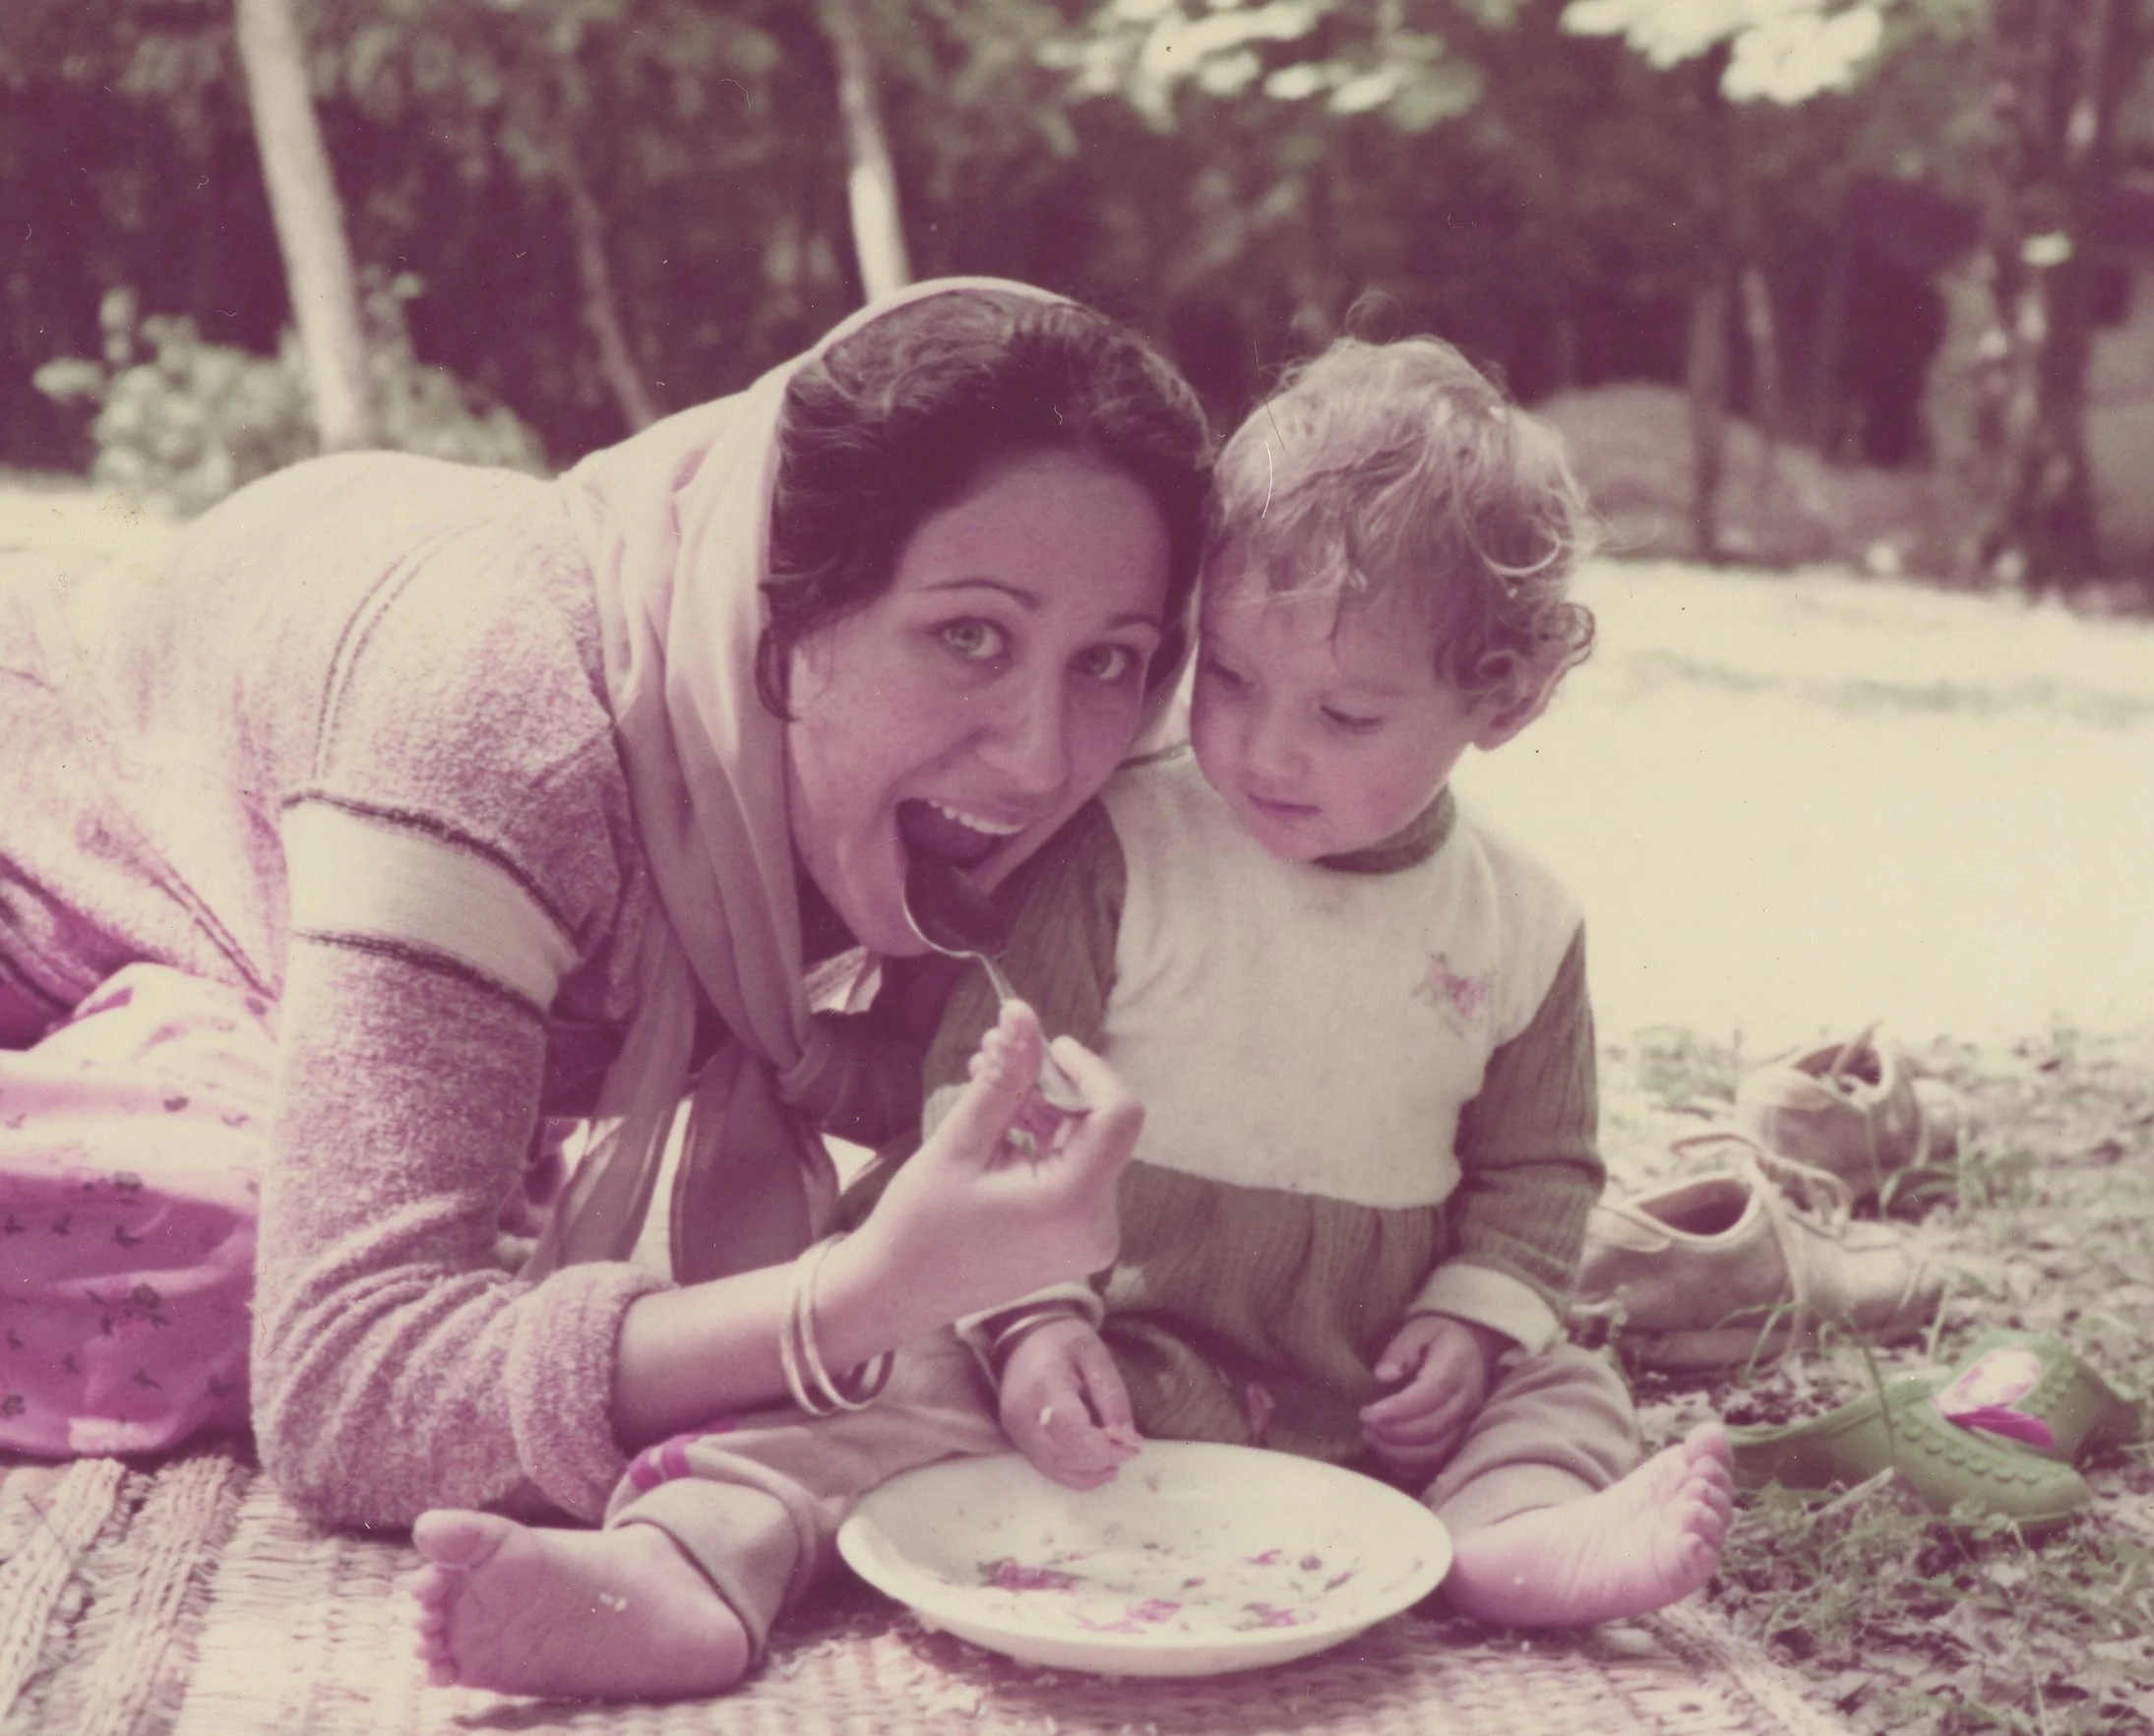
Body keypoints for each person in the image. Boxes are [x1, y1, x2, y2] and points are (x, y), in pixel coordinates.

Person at [450, 334, 1732, 1700]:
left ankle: (1511, 1534)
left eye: (1346, 715)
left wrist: (1473, 1329)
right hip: (1093, 1339)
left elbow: (1541, 1168)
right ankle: (688, 1564)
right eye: (1229, 680)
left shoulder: (1521, 923)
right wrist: (1034, 1323)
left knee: (1563, 1384)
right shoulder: (1127, 844)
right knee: (877, 1390)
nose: (1265, 748)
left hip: (1363, 1368)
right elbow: (987, 1091)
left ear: (1505, 700)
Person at [0, 279, 1208, 1693]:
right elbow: (344, 1388)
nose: (1042, 757)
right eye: (970, 636)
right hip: (55, 898)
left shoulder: (894, 780)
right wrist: (851, 1299)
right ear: (788, 600)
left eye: (1112, 664)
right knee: (222, 1246)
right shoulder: (508, 729)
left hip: (259, 958)